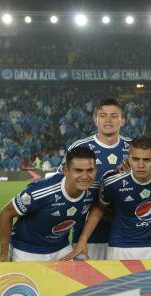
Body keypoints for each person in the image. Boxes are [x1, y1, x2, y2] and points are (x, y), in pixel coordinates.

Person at [64, 138, 151, 260]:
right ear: (128, 160)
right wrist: (83, 239)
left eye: (147, 160)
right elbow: (99, 208)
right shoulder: (113, 182)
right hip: (121, 247)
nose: (141, 165)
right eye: (136, 159)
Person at [0, 146, 97, 265]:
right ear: (66, 170)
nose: (85, 176)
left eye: (90, 170)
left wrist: (83, 240)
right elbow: (6, 213)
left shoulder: (92, 191)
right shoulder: (39, 192)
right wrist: (3, 253)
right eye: (78, 170)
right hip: (27, 252)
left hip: (62, 249)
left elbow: (97, 209)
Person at [62, 98, 130, 260]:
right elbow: (64, 184)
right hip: (86, 237)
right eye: (103, 115)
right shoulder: (79, 148)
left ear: (123, 121)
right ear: (95, 120)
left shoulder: (134, 149)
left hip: (125, 238)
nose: (108, 120)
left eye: (114, 115)